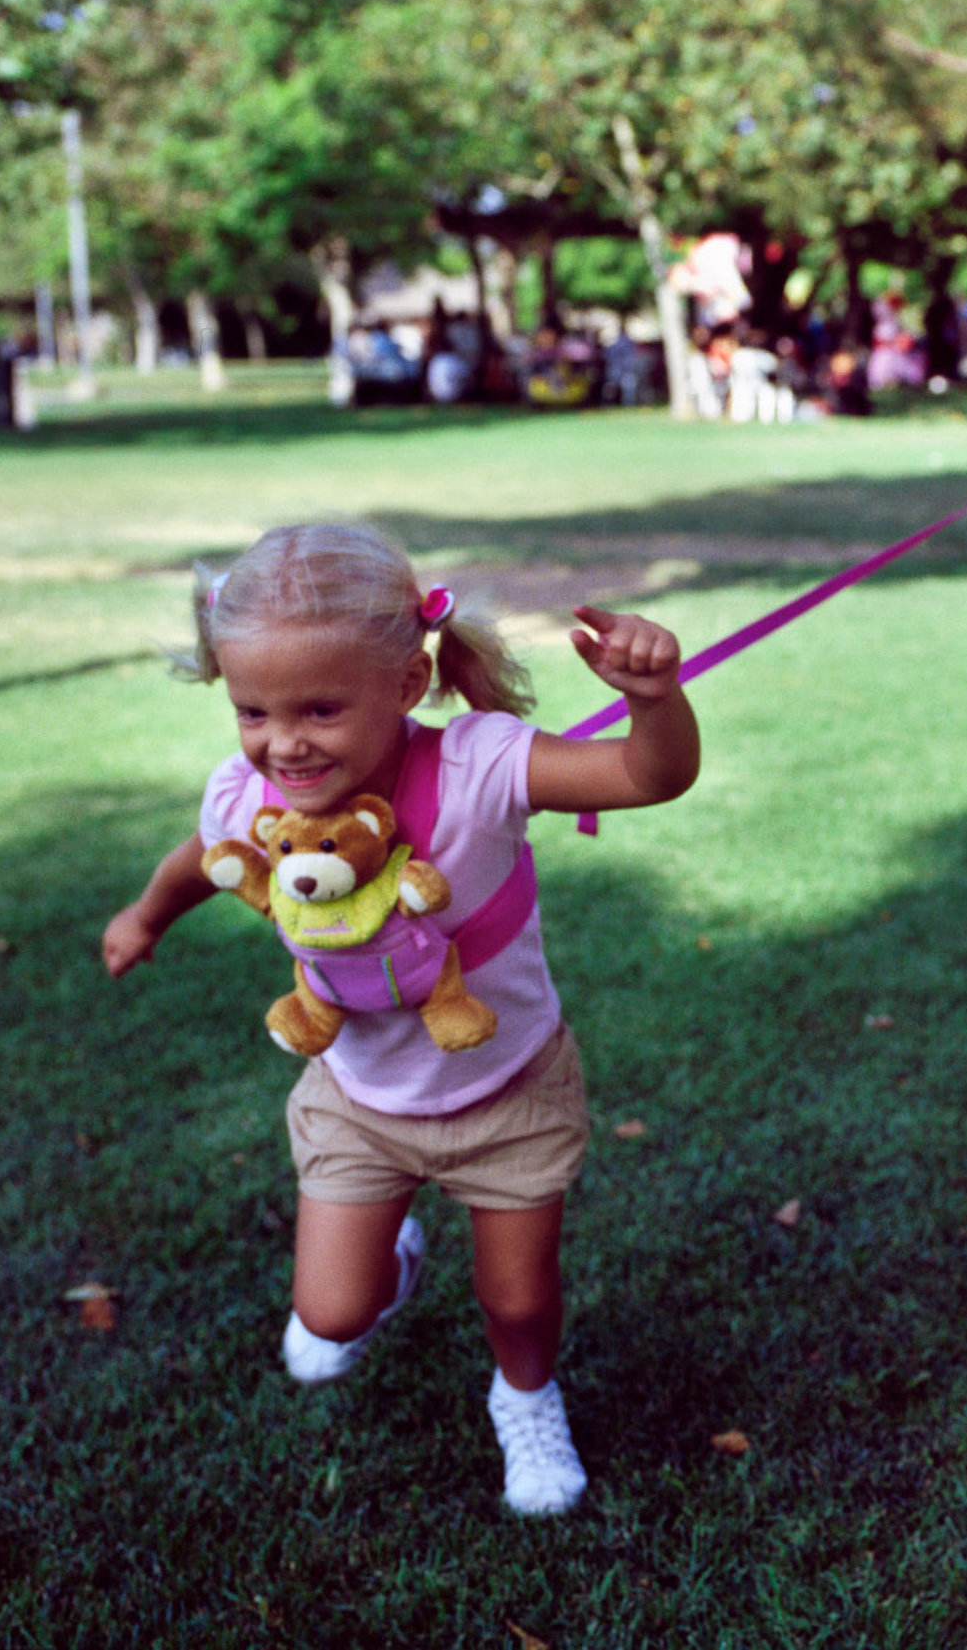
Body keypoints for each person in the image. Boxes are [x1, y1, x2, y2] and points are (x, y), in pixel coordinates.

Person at [100, 523, 700, 1516]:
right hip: (361, 1098)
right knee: (329, 1317)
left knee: (517, 1300)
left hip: (507, 1086)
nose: (282, 742)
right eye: (252, 709)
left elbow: (648, 777)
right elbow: (195, 862)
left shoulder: (482, 766)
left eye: (321, 708)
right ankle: (393, 1255)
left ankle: (525, 1396)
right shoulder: (248, 798)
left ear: (410, 678)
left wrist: (654, 699)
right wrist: (144, 916)